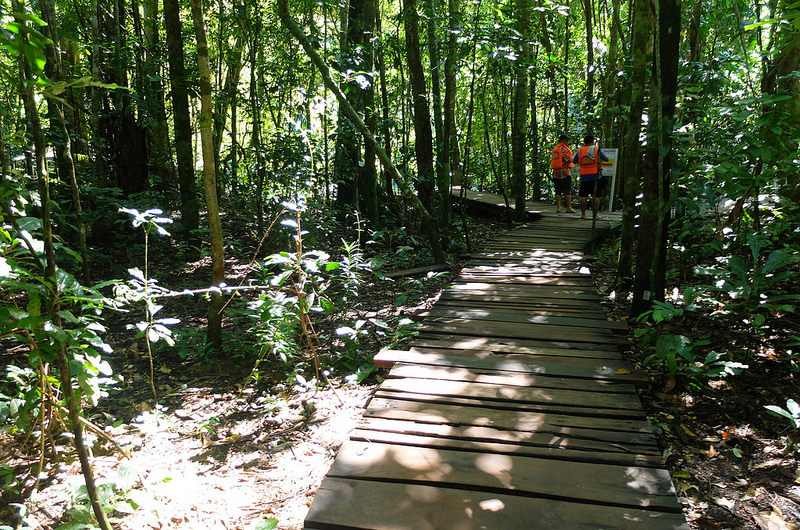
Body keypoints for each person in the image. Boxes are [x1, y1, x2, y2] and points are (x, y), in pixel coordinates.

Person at [573, 133, 609, 219]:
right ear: (593, 142)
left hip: (584, 176)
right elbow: (606, 159)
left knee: (583, 195)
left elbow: (574, 161)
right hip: (595, 176)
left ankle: (583, 214)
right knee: (596, 196)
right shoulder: (596, 149)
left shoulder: (580, 150)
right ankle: (595, 215)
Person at [549, 133, 575, 213]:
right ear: (562, 140)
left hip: (556, 172)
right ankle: (568, 208)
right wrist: (575, 159)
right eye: (567, 140)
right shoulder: (563, 149)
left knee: (558, 191)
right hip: (564, 172)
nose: (568, 142)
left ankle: (558, 208)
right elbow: (567, 159)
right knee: (567, 190)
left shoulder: (556, 148)